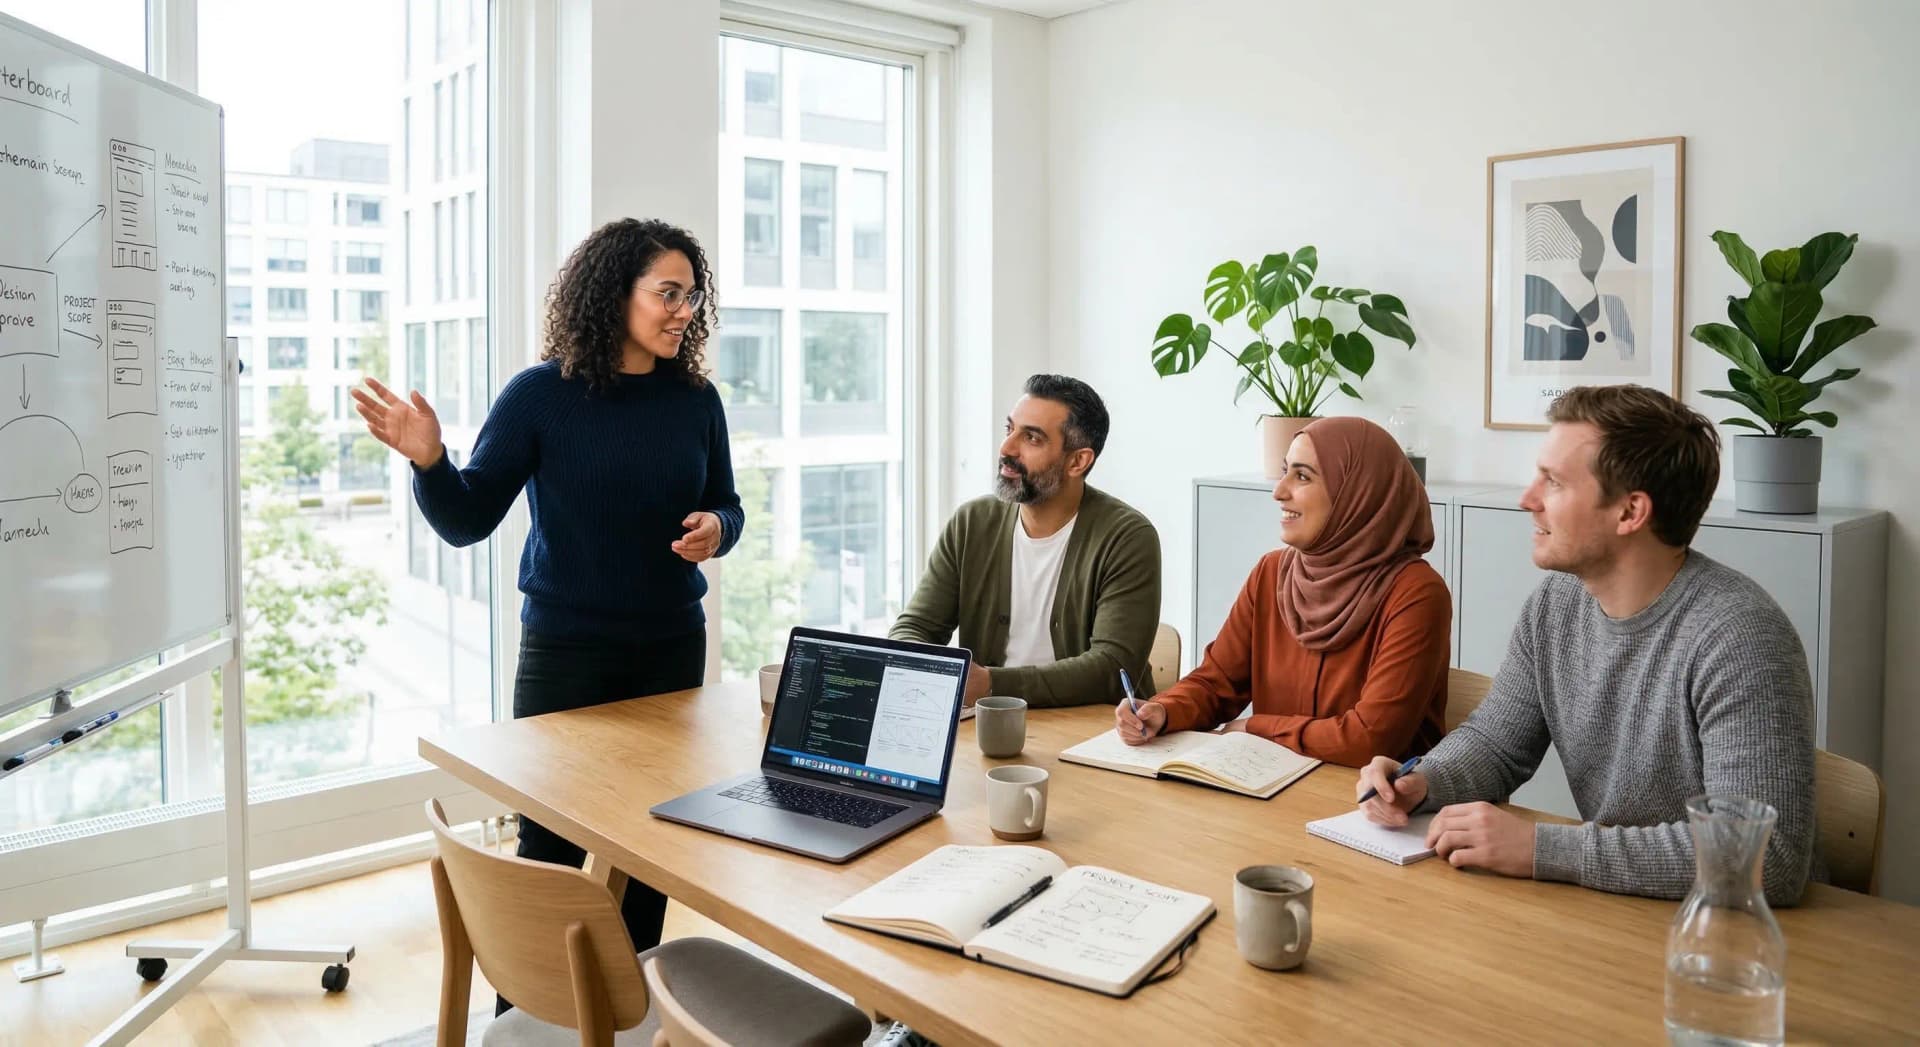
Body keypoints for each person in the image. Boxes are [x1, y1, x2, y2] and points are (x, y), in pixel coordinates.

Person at [351, 218, 744, 1008]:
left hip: (671, 650)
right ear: (614, 294)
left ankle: (627, 1013)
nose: (683, 311)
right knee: (550, 844)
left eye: (690, 296)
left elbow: (726, 503)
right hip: (568, 654)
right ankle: (527, 1017)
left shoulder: (696, 400)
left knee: (647, 841)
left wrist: (718, 530)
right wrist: (431, 461)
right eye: (667, 293)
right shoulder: (542, 396)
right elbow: (466, 519)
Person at [1357, 385, 1816, 904]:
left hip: (1729, 940)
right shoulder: (1556, 603)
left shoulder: (1740, 636)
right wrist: (1424, 781)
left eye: (1552, 482)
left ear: (1629, 513)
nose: (1527, 500)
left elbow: (1763, 855)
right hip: (1613, 911)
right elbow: (1497, 744)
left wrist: (1543, 849)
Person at [1117, 416, 1450, 766]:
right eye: (1285, 471)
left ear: (1357, 493)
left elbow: (1368, 739)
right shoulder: (1272, 572)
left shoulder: (1416, 593)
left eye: (1302, 476)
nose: (1279, 491)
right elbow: (1217, 684)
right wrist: (1163, 710)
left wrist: (1256, 729)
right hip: (1273, 788)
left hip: (1371, 806)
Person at [889, 374, 1161, 708]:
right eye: (1009, 430)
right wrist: (927, 669)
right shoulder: (972, 522)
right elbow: (915, 627)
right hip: (985, 726)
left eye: (1031, 438)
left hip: (1092, 733)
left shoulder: (1127, 537)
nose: (1007, 448)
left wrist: (990, 684)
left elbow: (1111, 667)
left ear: (1078, 461)